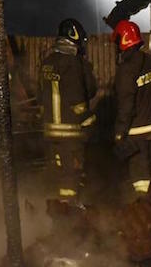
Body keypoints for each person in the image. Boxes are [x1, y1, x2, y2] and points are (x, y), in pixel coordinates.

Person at [40, 18, 97, 203]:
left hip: (50, 133)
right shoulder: (72, 63)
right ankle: (68, 214)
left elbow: (42, 94)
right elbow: (78, 96)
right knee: (71, 175)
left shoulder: (47, 63)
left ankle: (57, 209)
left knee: (58, 174)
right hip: (70, 133)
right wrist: (89, 122)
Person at [111, 20, 151, 196]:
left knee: (141, 177)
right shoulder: (150, 61)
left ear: (123, 41)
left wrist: (119, 133)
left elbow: (126, 105)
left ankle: (145, 209)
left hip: (139, 133)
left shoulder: (126, 70)